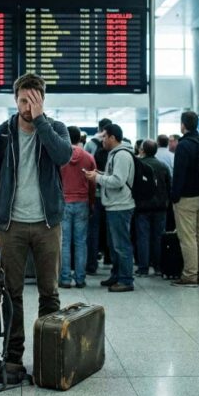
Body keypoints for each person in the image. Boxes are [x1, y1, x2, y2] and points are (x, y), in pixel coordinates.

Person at [0, 72, 72, 370]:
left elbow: (63, 156)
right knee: (11, 292)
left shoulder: (56, 128)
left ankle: (47, 356)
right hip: (12, 225)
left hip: (48, 224)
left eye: (34, 101)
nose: (28, 107)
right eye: (23, 100)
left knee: (49, 292)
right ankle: (13, 356)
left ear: (43, 101)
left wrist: (41, 121)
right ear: (15, 101)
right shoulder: (2, 134)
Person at [85, 124, 135, 292]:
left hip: (120, 205)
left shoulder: (121, 155)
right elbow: (114, 177)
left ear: (113, 137)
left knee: (121, 244)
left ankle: (126, 279)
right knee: (115, 244)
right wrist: (99, 174)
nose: (102, 140)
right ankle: (117, 274)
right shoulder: (115, 154)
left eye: (105, 136)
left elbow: (118, 181)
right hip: (114, 204)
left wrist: (98, 178)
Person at [170, 111, 199, 287]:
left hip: (187, 197)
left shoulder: (184, 145)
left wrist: (174, 196)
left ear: (183, 125)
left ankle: (189, 275)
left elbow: (179, 174)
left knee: (187, 237)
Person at [59, 126, 96, 288]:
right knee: (81, 242)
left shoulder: (60, 157)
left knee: (64, 242)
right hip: (82, 202)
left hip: (64, 202)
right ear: (80, 138)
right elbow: (93, 183)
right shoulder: (89, 158)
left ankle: (65, 278)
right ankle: (80, 278)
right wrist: (92, 202)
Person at [134, 139, 170, 277]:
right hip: (160, 207)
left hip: (142, 207)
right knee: (158, 237)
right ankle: (158, 267)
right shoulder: (163, 166)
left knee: (143, 237)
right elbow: (168, 186)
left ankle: (143, 267)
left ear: (142, 150)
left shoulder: (139, 165)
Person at [85, 118, 112, 275]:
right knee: (111, 230)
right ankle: (110, 259)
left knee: (93, 231)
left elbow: (89, 170)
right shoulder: (120, 150)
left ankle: (91, 264)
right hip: (113, 196)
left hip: (96, 193)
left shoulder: (92, 146)